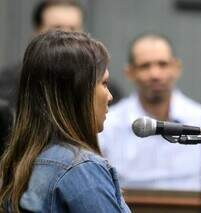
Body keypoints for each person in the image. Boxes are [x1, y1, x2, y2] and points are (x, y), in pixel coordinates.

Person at [0, 30, 131, 213]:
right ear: (79, 92)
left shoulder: (18, 161)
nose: (109, 96)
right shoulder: (81, 169)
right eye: (104, 83)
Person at [98, 34, 201, 191]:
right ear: (129, 72)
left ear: (176, 68)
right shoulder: (109, 123)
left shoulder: (199, 118)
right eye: (145, 66)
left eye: (162, 64)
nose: (155, 75)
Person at [0, 0, 122, 109]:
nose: (66, 36)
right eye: (57, 28)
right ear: (36, 32)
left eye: (73, 29)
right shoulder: (5, 85)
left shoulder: (103, 87)